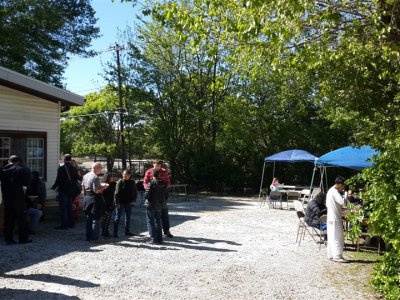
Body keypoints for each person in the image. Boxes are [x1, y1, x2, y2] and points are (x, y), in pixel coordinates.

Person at [0, 155, 32, 244]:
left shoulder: (3, 170)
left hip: (7, 198)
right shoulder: (20, 169)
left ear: (8, 161)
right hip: (18, 198)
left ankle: (8, 239)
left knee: (9, 219)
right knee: (22, 219)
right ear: (17, 161)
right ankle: (23, 239)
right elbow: (26, 182)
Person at [143, 160, 173, 238]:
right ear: (153, 164)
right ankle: (154, 234)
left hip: (161, 196)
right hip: (152, 196)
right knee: (153, 217)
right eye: (156, 165)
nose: (157, 166)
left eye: (159, 165)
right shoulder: (149, 171)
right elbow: (145, 182)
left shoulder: (164, 171)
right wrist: (149, 189)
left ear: (161, 165)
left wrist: (163, 191)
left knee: (164, 214)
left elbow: (167, 182)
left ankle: (166, 231)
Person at [51, 154, 79, 230]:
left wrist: (54, 187)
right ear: (70, 159)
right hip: (71, 191)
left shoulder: (61, 168)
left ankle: (64, 225)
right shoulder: (74, 168)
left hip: (63, 190)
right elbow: (77, 178)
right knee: (69, 207)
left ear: (64, 159)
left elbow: (58, 179)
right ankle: (71, 223)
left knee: (63, 208)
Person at [82, 162, 108, 242]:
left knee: (88, 219)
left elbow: (83, 188)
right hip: (95, 199)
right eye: (100, 168)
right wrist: (104, 187)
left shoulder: (85, 175)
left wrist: (85, 197)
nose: (101, 169)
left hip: (87, 198)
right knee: (96, 219)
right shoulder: (95, 177)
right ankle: (94, 238)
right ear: (96, 168)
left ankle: (88, 237)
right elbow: (96, 191)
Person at [326, 176, 348, 263]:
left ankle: (331, 255)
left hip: (331, 217)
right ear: (339, 185)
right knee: (338, 237)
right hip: (335, 218)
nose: (343, 188)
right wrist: (345, 195)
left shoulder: (330, 191)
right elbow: (343, 202)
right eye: (343, 186)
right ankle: (337, 256)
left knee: (332, 236)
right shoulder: (334, 192)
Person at [144, 168, 167, 244]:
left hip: (151, 205)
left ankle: (153, 239)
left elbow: (146, 195)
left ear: (152, 175)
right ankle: (160, 239)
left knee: (150, 222)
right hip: (160, 205)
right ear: (159, 174)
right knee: (158, 221)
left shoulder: (151, 183)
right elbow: (166, 195)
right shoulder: (163, 183)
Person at [113, 169, 137, 237]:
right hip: (120, 203)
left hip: (129, 203)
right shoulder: (120, 182)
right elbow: (116, 193)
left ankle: (127, 231)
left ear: (129, 175)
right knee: (117, 218)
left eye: (126, 174)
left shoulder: (132, 182)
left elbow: (135, 192)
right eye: (123, 174)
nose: (124, 176)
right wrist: (116, 203)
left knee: (128, 218)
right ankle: (115, 232)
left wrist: (134, 200)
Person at [101, 172, 116, 237]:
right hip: (105, 203)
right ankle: (104, 231)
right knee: (105, 218)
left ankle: (105, 231)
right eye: (112, 177)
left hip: (110, 202)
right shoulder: (105, 185)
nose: (113, 178)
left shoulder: (112, 184)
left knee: (108, 218)